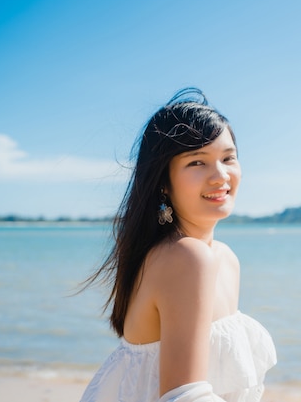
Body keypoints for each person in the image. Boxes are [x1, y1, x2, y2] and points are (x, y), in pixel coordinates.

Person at [80, 88, 277, 402]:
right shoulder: (186, 257)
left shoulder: (223, 258)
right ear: (163, 181)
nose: (220, 175)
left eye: (228, 158)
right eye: (197, 162)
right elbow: (183, 396)